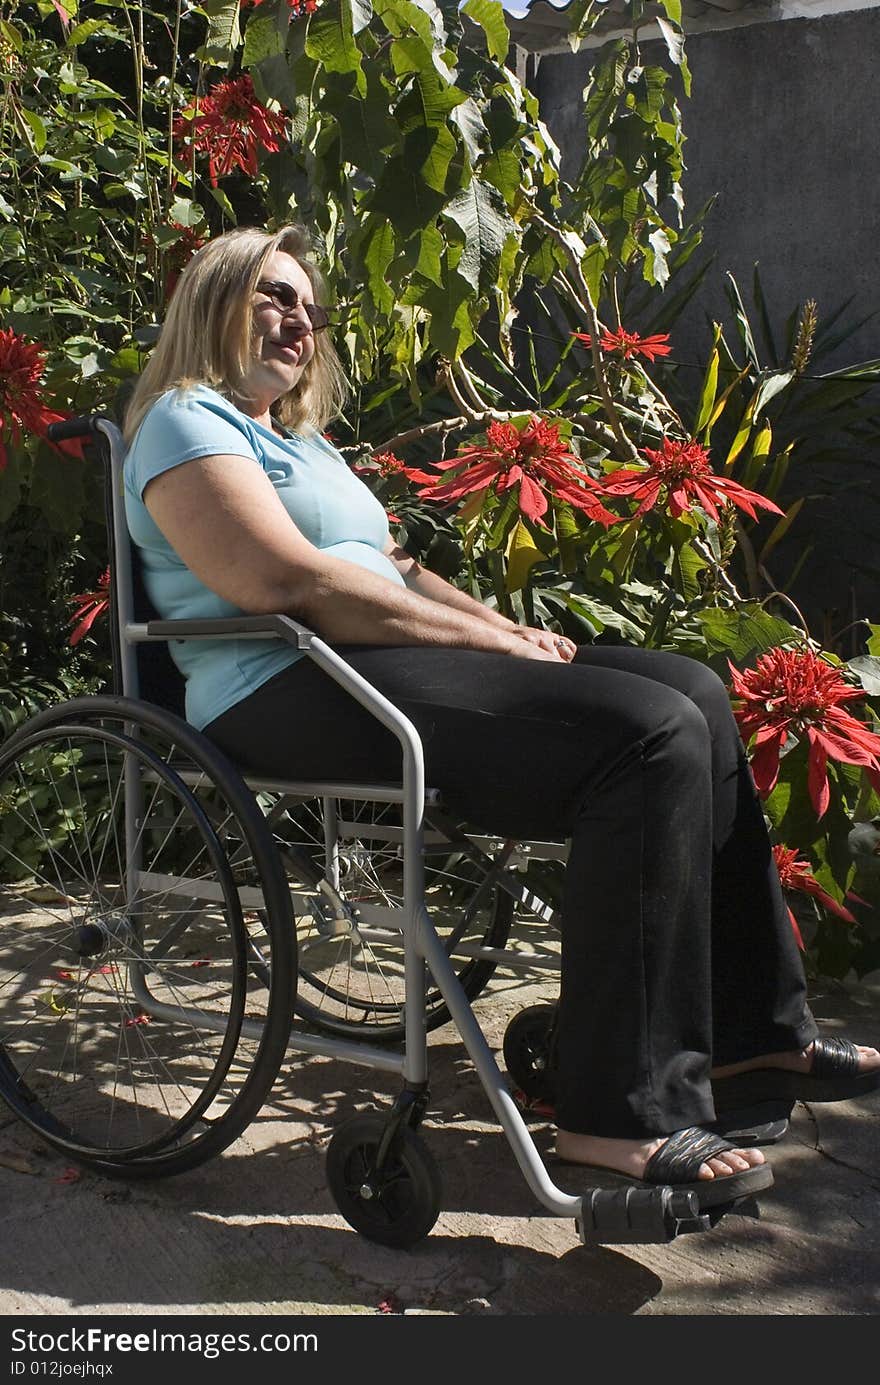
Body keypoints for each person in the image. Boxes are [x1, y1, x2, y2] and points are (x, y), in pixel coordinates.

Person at [123, 224, 880, 1214]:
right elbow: (281, 579)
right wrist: (475, 646)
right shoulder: (186, 419)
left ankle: (747, 1034)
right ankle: (616, 1110)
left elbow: (392, 567)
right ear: (211, 303)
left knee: (691, 688)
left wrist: (498, 624)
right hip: (277, 686)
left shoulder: (301, 442)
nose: (297, 319)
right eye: (273, 294)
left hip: (369, 663)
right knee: (641, 739)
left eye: (307, 304)